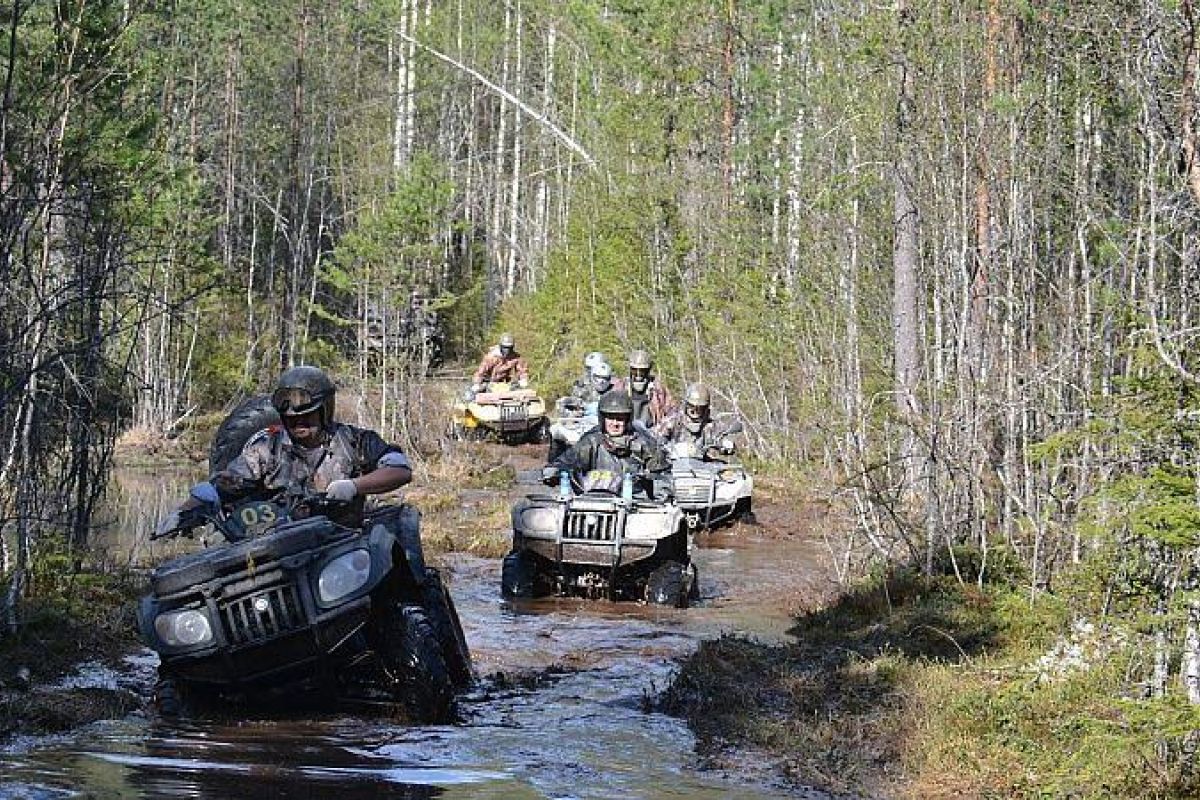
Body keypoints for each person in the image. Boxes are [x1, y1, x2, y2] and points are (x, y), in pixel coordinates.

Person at [205, 365, 412, 527]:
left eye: (307, 416)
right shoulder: (267, 448)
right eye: (291, 418)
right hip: (281, 546)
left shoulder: (355, 441)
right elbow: (224, 483)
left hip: (342, 544)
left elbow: (399, 470)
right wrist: (194, 503)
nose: (298, 422)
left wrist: (354, 486)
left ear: (324, 411)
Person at [544, 389, 669, 499]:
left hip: (634, 506)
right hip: (592, 502)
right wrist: (554, 470)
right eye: (610, 417)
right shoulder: (591, 441)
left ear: (628, 419)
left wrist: (656, 486)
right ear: (602, 418)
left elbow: (663, 475)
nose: (615, 423)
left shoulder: (644, 444)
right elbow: (568, 459)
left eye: (620, 418)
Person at [654, 382, 736, 459]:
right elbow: (655, 439)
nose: (695, 411)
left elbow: (722, 437)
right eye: (692, 407)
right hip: (673, 466)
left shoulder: (710, 425)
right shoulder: (673, 420)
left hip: (702, 468)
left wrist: (726, 444)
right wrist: (667, 448)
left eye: (700, 408)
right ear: (686, 405)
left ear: (706, 408)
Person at [616, 349, 675, 427]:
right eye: (634, 370)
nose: (638, 375)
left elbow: (672, 412)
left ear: (648, 371)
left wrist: (662, 429)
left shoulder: (658, 390)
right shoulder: (621, 387)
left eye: (642, 371)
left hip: (652, 433)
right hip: (627, 433)